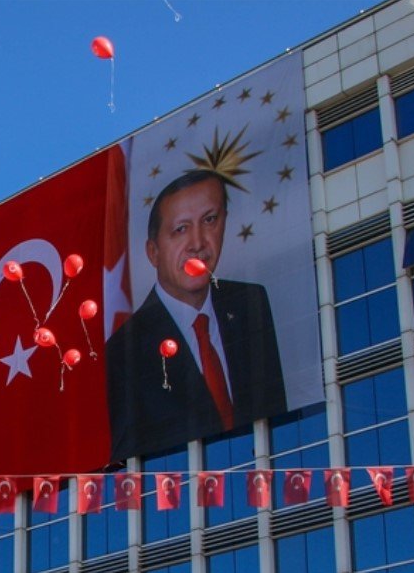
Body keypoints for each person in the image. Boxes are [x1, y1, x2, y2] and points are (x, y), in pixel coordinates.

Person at [104, 169, 288, 463]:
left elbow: (275, 413)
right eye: (180, 229)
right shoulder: (123, 352)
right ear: (153, 252)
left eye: (210, 220)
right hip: (188, 500)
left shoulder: (250, 303)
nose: (198, 243)